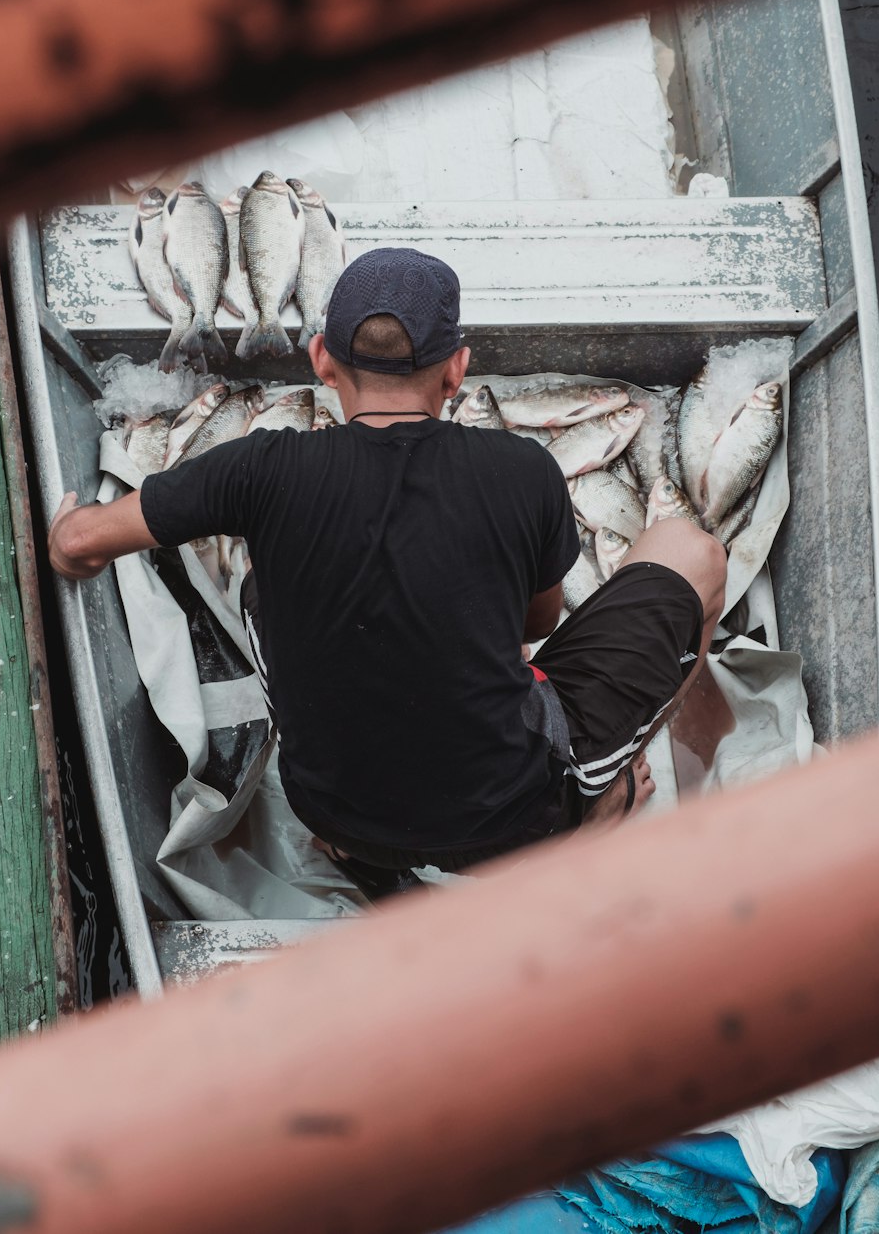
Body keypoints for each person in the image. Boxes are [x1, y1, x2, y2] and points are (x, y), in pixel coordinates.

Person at [49, 247, 726, 899]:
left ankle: (360, 852)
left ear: (321, 360)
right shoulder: (520, 472)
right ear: (456, 370)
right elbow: (536, 624)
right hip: (516, 820)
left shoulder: (259, 470)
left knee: (262, 578)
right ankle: (596, 809)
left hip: (336, 816)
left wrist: (69, 531)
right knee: (691, 551)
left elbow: (77, 543)